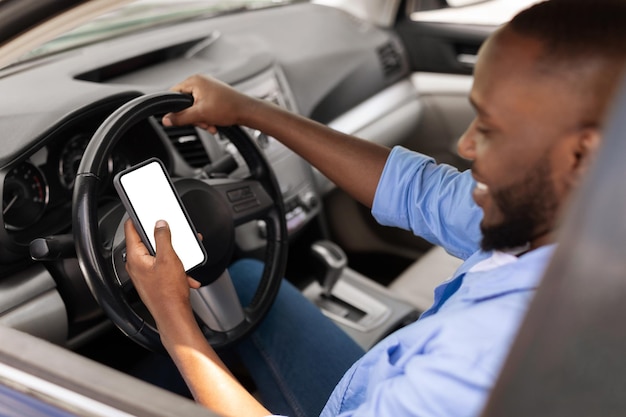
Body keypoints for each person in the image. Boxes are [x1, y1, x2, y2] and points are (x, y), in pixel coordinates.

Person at [124, 1, 626, 417]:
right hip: (374, 388)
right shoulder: (566, 221)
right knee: (250, 281)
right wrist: (251, 111)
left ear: (581, 156)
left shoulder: (487, 360)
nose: (465, 145)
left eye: (490, 129)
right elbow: (418, 191)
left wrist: (170, 315)